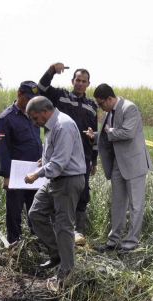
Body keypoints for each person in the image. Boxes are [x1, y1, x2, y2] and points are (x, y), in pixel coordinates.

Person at [24, 97, 86, 281]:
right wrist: (44, 161)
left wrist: (36, 174)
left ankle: (66, 273)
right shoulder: (50, 127)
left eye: (35, 118)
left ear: (45, 111)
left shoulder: (63, 125)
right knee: (35, 213)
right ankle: (56, 253)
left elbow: (60, 163)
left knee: (63, 226)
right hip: (54, 179)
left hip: (68, 180)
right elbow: (55, 155)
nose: (35, 123)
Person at [85, 84, 152, 253]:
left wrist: (109, 131)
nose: (100, 108)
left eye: (101, 104)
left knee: (136, 206)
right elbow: (110, 134)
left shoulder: (130, 108)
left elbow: (127, 133)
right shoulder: (109, 112)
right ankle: (113, 241)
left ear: (109, 98)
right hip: (117, 164)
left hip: (134, 164)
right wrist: (96, 136)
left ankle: (130, 244)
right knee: (117, 204)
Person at [38, 63, 98, 246]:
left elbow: (94, 133)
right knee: (59, 191)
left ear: (88, 84)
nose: (80, 84)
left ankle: (77, 232)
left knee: (82, 193)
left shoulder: (92, 106)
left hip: (83, 157)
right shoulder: (61, 97)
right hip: (60, 155)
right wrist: (51, 71)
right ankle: (60, 230)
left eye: (84, 81)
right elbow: (41, 88)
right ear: (72, 81)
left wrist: (94, 160)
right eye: (77, 80)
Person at [0, 81, 42, 243]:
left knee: (35, 210)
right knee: (14, 212)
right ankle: (15, 245)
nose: (31, 102)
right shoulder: (6, 118)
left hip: (35, 172)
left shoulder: (32, 116)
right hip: (17, 174)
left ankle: (36, 242)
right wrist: (6, 176)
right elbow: (2, 149)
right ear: (19, 94)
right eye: (28, 98)